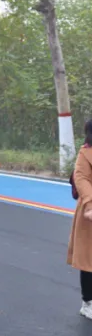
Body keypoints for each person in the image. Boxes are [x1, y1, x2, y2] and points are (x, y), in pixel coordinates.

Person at [68, 119, 92, 320]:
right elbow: (81, 179)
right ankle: (88, 303)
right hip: (90, 213)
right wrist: (90, 204)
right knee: (89, 261)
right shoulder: (85, 153)